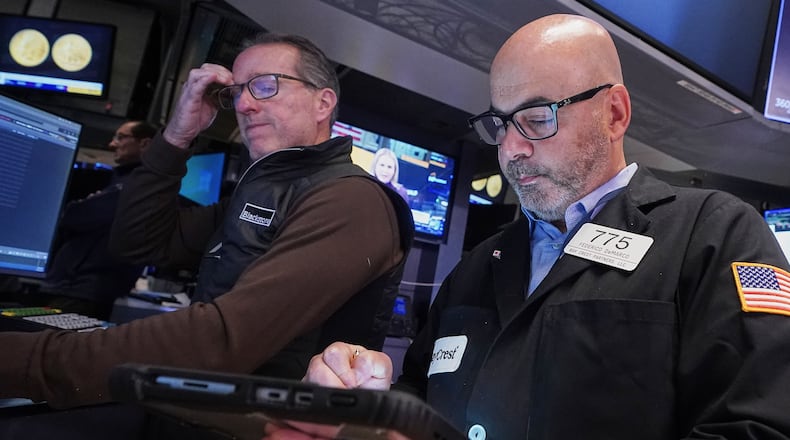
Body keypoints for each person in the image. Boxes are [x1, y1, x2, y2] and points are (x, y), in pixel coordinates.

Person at [266, 14, 790, 440]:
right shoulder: (478, 267)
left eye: (538, 118)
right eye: (500, 123)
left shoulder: (714, 233)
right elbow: (420, 403)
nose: (511, 149)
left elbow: (761, 426)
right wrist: (371, 405)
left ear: (614, 114)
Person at [0, 32, 413, 411]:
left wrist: (26, 360)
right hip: (200, 414)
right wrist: (178, 136)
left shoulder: (351, 200)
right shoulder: (258, 192)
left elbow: (222, 340)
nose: (245, 105)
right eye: (236, 92)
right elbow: (138, 243)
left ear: (323, 103)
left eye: (266, 85)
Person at [39, 121, 156, 320]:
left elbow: (73, 216)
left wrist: (75, 207)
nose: (112, 144)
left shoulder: (137, 184)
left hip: (80, 293)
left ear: (145, 144)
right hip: (79, 291)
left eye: (120, 137)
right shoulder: (124, 181)